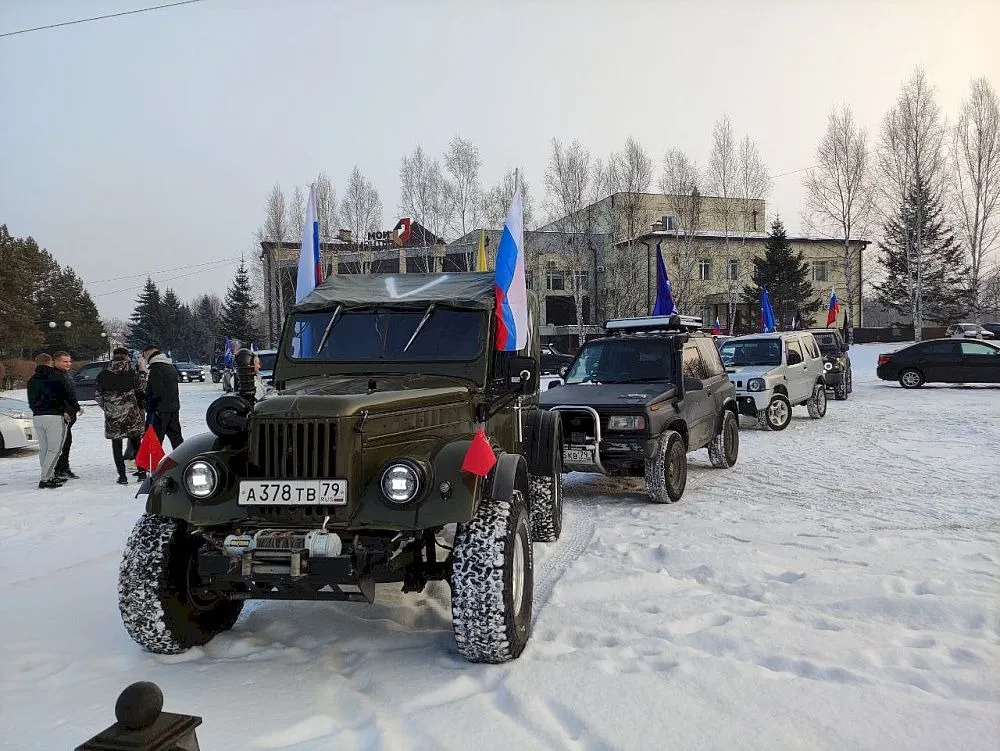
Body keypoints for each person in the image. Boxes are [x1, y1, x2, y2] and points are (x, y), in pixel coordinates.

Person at [96, 348, 147, 485]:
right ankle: (141, 473)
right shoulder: (132, 373)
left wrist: (109, 408)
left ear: (113, 357)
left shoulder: (103, 375)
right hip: (132, 415)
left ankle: (122, 476)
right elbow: (140, 393)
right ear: (126, 357)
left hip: (113, 417)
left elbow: (98, 396)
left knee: (116, 445)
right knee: (137, 444)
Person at [26, 354, 72, 489]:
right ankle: (46, 478)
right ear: (50, 362)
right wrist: (68, 410)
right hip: (54, 416)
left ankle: (48, 475)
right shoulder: (56, 377)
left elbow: (32, 400)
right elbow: (65, 395)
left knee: (44, 449)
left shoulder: (32, 380)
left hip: (37, 416)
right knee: (55, 449)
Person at [142, 344, 184, 448]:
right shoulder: (170, 367)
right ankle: (183, 460)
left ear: (148, 354)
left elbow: (154, 391)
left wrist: (147, 404)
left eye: (144, 356)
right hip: (173, 408)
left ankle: (150, 464)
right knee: (176, 439)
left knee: (153, 441)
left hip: (159, 410)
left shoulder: (156, 369)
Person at [51, 351, 81, 480]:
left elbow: (70, 394)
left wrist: (76, 407)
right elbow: (54, 396)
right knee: (61, 444)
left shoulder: (66, 374)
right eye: (65, 361)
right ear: (56, 361)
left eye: (69, 361)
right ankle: (58, 469)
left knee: (67, 442)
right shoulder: (54, 376)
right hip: (61, 415)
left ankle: (64, 467)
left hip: (70, 413)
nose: (68, 364)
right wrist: (62, 410)